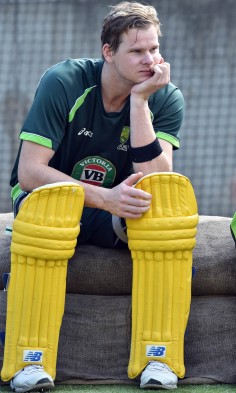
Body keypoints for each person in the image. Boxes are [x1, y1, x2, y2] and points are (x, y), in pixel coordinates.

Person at [0, 1, 198, 391]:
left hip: (117, 209)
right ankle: (29, 362)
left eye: (154, 49)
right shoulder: (65, 81)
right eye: (137, 51)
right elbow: (30, 173)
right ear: (108, 51)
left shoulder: (165, 96)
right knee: (50, 208)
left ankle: (157, 359)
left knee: (166, 212)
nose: (150, 60)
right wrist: (104, 197)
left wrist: (140, 102)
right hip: (50, 201)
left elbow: (158, 180)